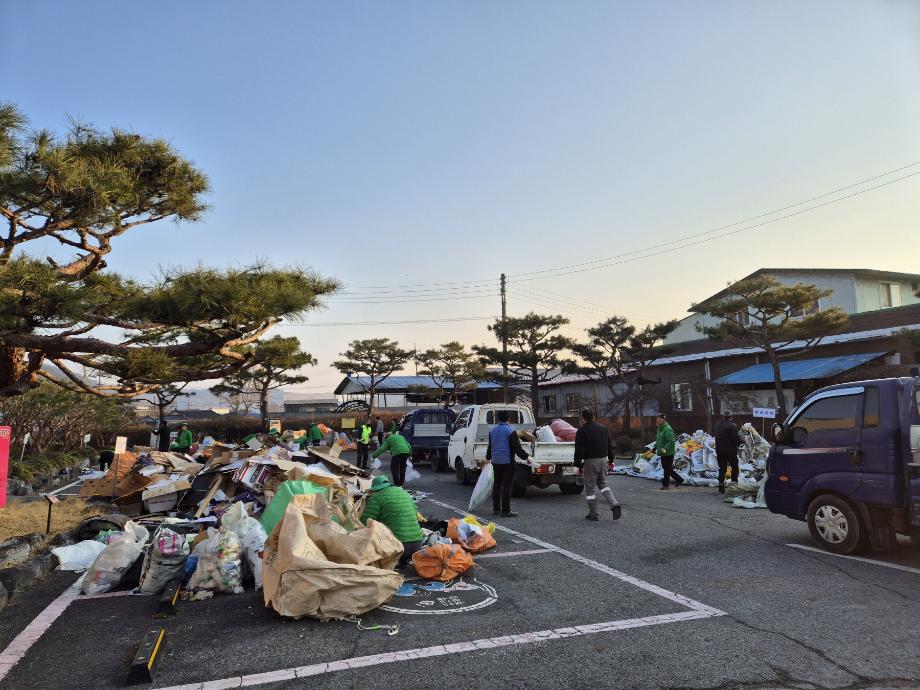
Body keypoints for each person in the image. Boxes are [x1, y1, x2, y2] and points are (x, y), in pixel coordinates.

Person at [360, 475, 425, 566]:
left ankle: (399, 559)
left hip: (397, 548)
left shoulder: (376, 497)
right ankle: (404, 560)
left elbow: (364, 522)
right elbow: (415, 514)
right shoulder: (405, 494)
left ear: (375, 489)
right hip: (418, 546)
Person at [574, 409, 622, 521]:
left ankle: (593, 514)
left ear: (583, 418)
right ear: (593, 417)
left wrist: (577, 465)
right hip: (603, 460)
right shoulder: (603, 428)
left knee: (590, 489)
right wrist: (611, 460)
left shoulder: (582, 430)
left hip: (590, 461)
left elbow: (579, 449)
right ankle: (614, 504)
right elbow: (610, 445)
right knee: (603, 484)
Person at [486, 410, 529, 517]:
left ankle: (496, 509)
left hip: (496, 462)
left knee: (497, 485)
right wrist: (527, 457)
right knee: (506, 486)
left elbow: (490, 446)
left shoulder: (492, 431)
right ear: (508, 419)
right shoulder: (510, 431)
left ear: (498, 419)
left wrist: (488, 457)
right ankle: (506, 511)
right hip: (507, 462)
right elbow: (517, 448)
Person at [713, 411, 742, 494]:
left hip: (719, 451)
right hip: (730, 451)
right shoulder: (732, 426)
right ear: (731, 417)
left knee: (722, 468)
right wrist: (742, 441)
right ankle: (734, 485)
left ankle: (721, 483)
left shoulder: (718, 424)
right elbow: (735, 439)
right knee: (735, 467)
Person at [654, 413, 683, 489]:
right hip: (663, 452)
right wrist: (654, 447)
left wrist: (665, 448)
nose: (658, 420)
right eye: (657, 419)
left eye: (660, 419)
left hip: (668, 452)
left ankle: (666, 485)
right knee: (667, 468)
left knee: (666, 469)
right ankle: (679, 480)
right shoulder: (660, 429)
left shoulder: (667, 429)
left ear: (663, 420)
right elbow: (658, 440)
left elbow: (671, 441)